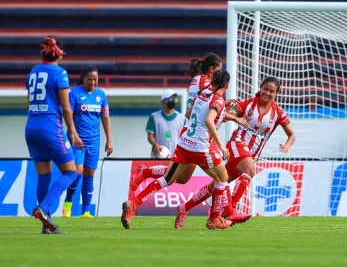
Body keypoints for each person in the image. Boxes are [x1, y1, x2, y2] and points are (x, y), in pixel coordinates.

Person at [121, 70, 251, 230]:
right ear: (227, 85)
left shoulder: (204, 93)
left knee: (168, 180)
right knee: (222, 177)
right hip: (200, 147)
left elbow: (190, 113)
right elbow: (209, 120)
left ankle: (133, 205)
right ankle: (216, 218)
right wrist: (221, 145)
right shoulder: (218, 100)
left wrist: (230, 115)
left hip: (184, 144)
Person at [174, 76, 296, 229]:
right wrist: (230, 112)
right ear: (260, 87)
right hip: (237, 144)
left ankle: (185, 208)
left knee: (217, 184)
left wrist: (287, 145)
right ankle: (231, 209)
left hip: (250, 155)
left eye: (272, 91)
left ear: (277, 93)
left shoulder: (278, 112)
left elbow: (292, 134)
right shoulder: (248, 103)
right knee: (250, 170)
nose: (267, 93)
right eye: (265, 89)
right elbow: (225, 115)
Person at [26, 36, 79, 234]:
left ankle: (45, 224)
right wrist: (72, 130)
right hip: (50, 127)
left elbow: (29, 102)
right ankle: (44, 208)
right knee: (71, 172)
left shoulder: (33, 72)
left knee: (44, 175)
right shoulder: (60, 73)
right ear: (60, 54)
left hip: (31, 127)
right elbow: (66, 107)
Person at [62, 65, 113, 218]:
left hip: (94, 141)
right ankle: (68, 201)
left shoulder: (101, 95)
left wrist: (109, 140)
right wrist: (74, 135)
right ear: (83, 78)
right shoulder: (74, 93)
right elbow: (68, 116)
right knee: (77, 172)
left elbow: (105, 118)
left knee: (89, 174)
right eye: (90, 79)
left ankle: (86, 211)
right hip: (76, 140)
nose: (93, 82)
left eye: (95, 79)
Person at [146, 89, 185, 157]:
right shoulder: (154, 117)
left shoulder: (182, 118)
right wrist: (155, 144)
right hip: (159, 154)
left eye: (174, 98)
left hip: (176, 157)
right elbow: (150, 136)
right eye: (170, 98)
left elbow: (185, 137)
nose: (172, 100)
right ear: (163, 100)